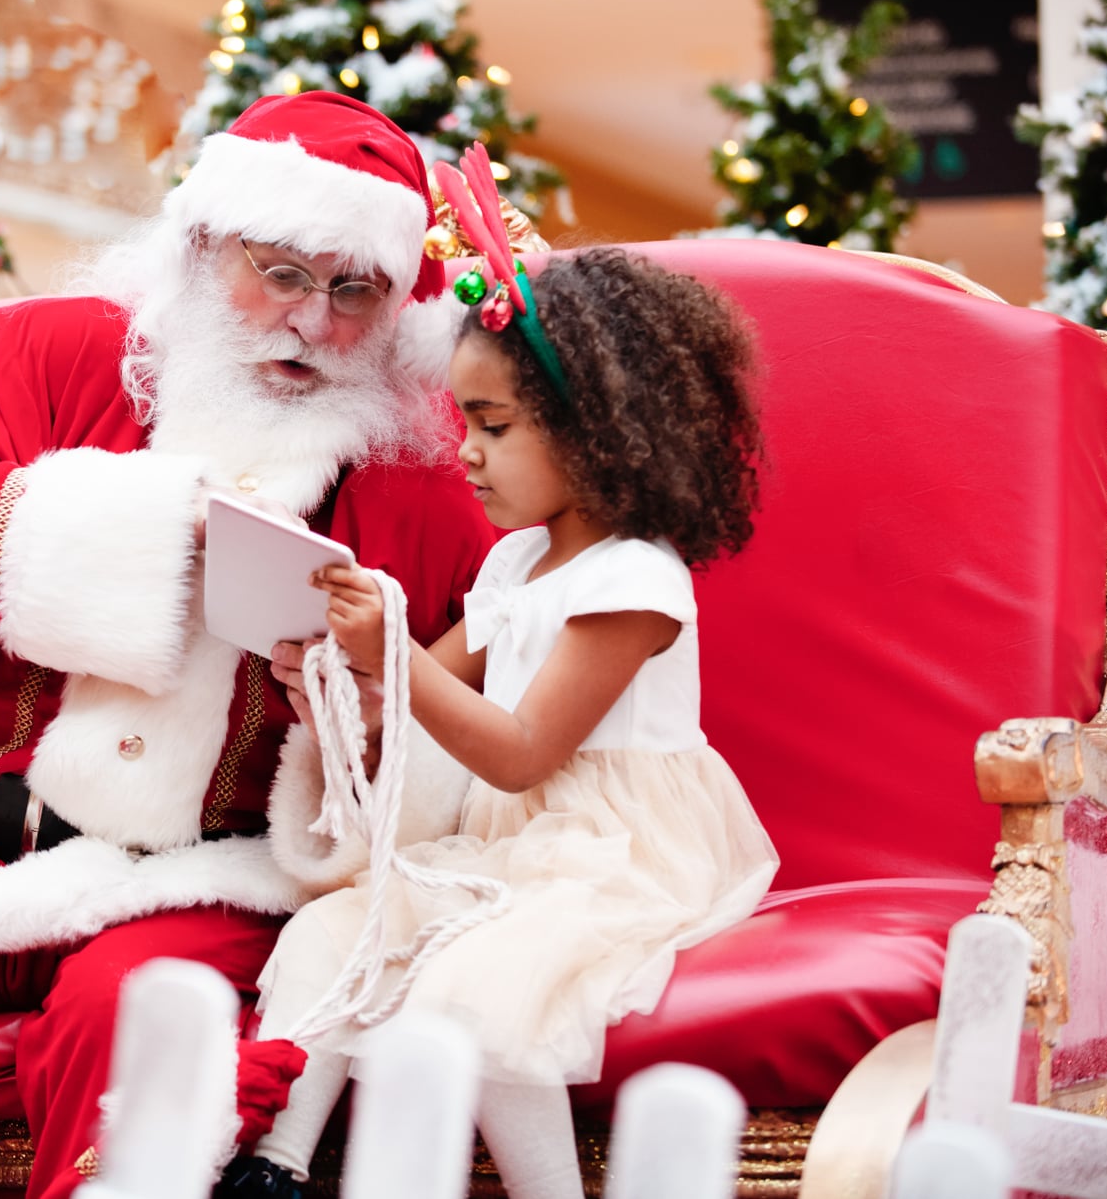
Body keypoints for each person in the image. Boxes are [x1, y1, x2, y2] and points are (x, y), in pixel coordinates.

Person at [0, 92, 500, 1199]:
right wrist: (156, 532)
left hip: (206, 881)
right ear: (204, 247)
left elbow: (460, 739)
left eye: (351, 288)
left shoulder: (425, 485)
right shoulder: (50, 355)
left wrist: (346, 712)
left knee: (136, 1023)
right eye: (281, 271)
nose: (309, 320)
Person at [225, 235, 781, 1199]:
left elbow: (523, 753)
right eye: (463, 421)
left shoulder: (636, 580)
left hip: (614, 849)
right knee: (334, 928)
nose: (465, 453)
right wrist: (336, 674)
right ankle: (272, 1169)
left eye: (493, 425)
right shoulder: (514, 564)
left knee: (479, 993)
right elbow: (412, 700)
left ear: (596, 430)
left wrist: (392, 652)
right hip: (510, 847)